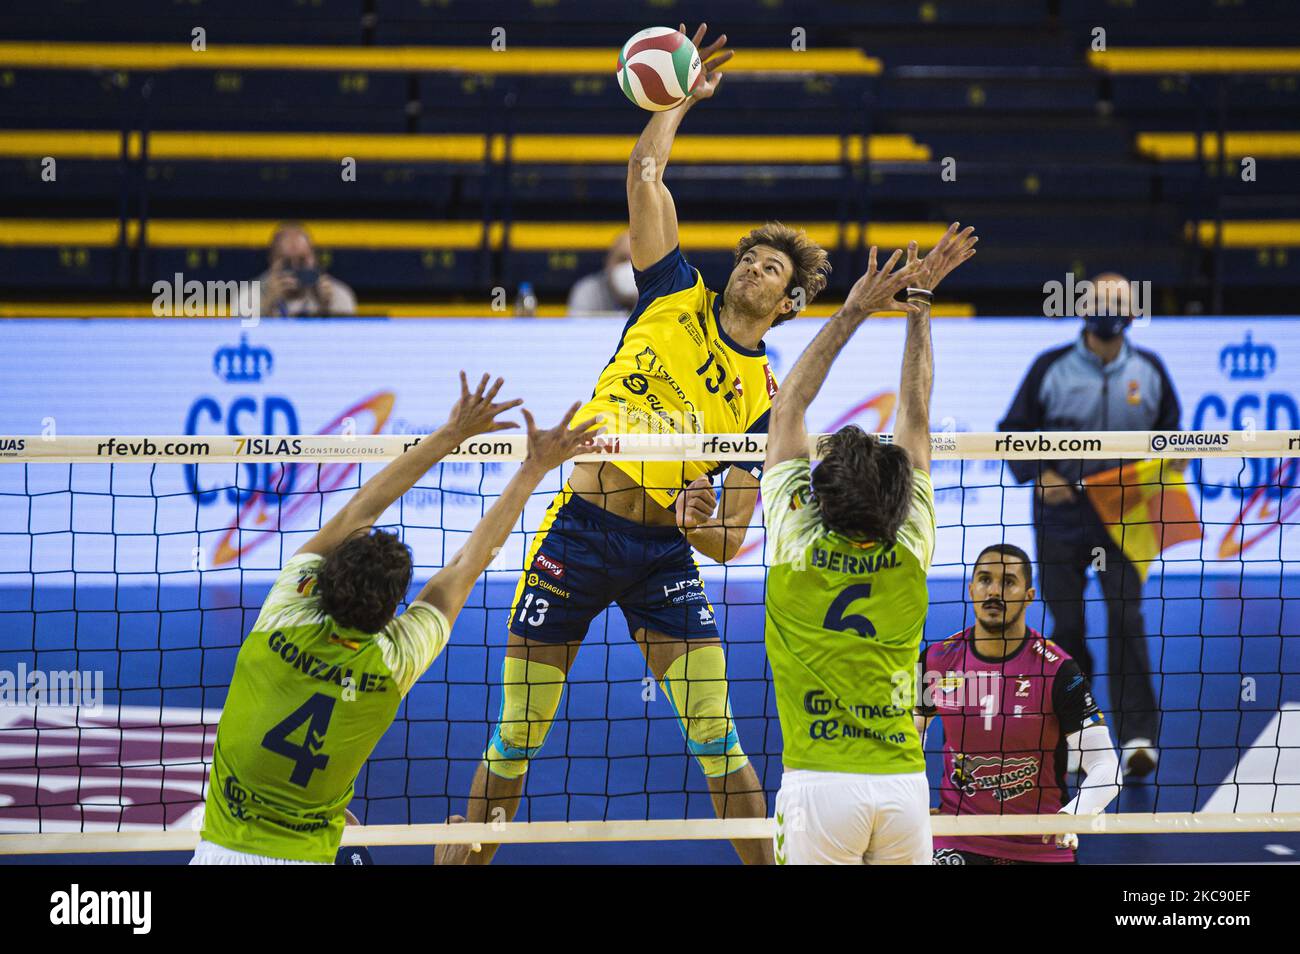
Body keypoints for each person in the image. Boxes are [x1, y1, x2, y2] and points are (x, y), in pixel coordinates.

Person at [448, 23, 825, 867]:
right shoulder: (672, 287)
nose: (755, 268)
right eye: (752, 257)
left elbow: (729, 543)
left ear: (791, 302)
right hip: (579, 532)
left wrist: (698, 522)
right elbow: (645, 173)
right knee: (514, 742)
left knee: (721, 746)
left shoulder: (768, 402)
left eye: (773, 269)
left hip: (662, 555)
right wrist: (680, 101)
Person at [191, 373, 601, 864]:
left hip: (220, 851)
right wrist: (533, 468)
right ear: (390, 614)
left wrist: (452, 433)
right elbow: (467, 564)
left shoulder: (286, 610)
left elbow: (361, 508)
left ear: (323, 580)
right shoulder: (394, 660)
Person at [763, 223, 979, 865]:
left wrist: (854, 307)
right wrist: (920, 305)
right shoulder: (911, 544)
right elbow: (916, 412)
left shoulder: (795, 543)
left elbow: (789, 409)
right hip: (903, 788)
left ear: (822, 497)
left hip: (819, 786)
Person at [998, 279, 1180, 778]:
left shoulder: (1151, 371)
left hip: (1125, 519)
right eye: (1099, 302)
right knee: (1068, 627)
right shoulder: (1050, 367)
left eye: (1118, 303)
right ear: (1081, 309)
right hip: (1061, 520)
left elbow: (1173, 438)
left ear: (1133, 312)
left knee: (1127, 618)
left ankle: (1139, 737)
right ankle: (1078, 734)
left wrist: (1161, 472)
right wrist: (1041, 474)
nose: (1108, 311)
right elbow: (1010, 433)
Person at [917, 544, 1122, 865]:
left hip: (1040, 842)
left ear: (1029, 594)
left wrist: (1072, 815)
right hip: (960, 835)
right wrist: (912, 802)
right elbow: (905, 738)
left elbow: (1107, 768)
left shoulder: (1058, 669)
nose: (994, 591)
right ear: (971, 589)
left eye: (1008, 582)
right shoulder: (938, 660)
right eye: (985, 579)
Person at [256, 222, 357, 318]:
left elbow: (343, 335)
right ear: (271, 260)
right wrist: (266, 305)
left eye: (302, 261)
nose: (295, 268)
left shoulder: (339, 296)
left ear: (314, 258)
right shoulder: (248, 296)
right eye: (286, 262)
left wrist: (326, 309)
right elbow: (245, 334)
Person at [566, 231, 638, 317]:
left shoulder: (654, 291)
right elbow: (578, 328)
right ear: (608, 263)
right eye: (622, 259)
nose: (628, 267)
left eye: (635, 261)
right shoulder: (588, 292)